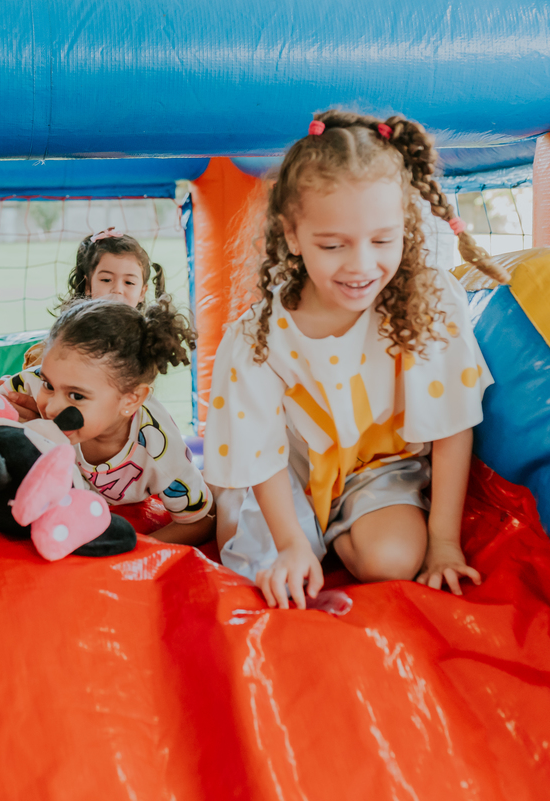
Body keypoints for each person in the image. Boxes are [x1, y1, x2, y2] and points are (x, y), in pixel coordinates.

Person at [203, 110, 510, 609]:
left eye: (383, 241)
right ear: (293, 235)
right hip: (291, 474)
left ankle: (342, 528)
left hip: (379, 468)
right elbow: (259, 453)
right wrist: (292, 545)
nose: (362, 266)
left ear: (404, 228)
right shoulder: (257, 337)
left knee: (391, 560)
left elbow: (453, 424)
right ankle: (290, 525)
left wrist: (444, 543)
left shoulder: (428, 302)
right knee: (258, 570)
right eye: (332, 245)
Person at [0, 296, 215, 545]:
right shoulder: (34, 384)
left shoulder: (161, 455)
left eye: (76, 396)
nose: (51, 407)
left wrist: (130, 550)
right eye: (49, 384)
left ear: (130, 400)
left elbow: (201, 522)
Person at [17, 227, 168, 370]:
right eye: (106, 280)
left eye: (129, 282)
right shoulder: (62, 340)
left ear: (142, 292)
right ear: (88, 285)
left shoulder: (145, 344)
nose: (117, 289)